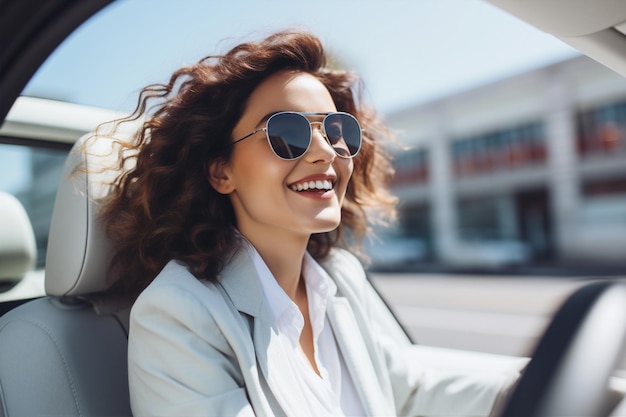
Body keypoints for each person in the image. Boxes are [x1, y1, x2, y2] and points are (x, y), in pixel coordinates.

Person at [98, 30, 521, 416]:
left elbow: (406, 393)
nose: (326, 152)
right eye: (286, 133)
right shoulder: (179, 314)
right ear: (220, 171)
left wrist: (531, 388)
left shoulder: (341, 277)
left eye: (337, 130)